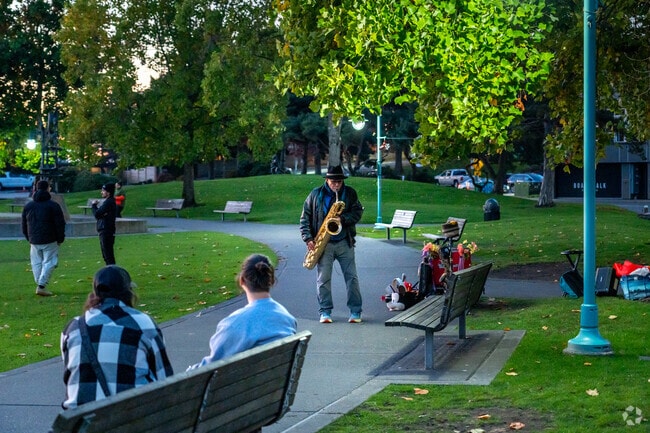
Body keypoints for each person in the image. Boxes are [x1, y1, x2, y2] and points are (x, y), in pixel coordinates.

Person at [60, 265, 174, 409]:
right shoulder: (143, 323)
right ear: (128, 292)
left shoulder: (74, 327)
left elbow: (72, 375)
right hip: (130, 418)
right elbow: (165, 380)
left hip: (79, 422)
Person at [188, 254, 296, 369]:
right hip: (273, 384)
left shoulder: (234, 324)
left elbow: (210, 367)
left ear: (242, 280)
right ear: (272, 280)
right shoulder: (287, 319)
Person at [299, 165, 364, 324]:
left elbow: (357, 212)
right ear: (326, 180)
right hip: (324, 244)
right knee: (323, 279)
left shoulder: (349, 193)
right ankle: (325, 312)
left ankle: (355, 312)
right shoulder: (315, 195)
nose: (336, 184)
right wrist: (308, 238)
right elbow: (304, 218)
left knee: (352, 278)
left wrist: (343, 219)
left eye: (339, 182)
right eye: (333, 181)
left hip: (344, 242)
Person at [21, 180, 66, 296]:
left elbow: (24, 224)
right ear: (48, 189)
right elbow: (60, 224)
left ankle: (40, 282)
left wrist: (28, 237)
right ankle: (41, 285)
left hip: (34, 239)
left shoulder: (28, 206)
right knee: (50, 262)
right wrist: (60, 238)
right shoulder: (53, 206)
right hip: (50, 238)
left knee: (36, 263)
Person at [92, 183, 117, 265]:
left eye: (103, 190)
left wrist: (94, 205)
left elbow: (97, 214)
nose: (101, 192)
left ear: (108, 192)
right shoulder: (109, 202)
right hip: (105, 230)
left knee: (108, 254)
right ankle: (110, 271)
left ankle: (112, 272)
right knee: (106, 254)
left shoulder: (109, 202)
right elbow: (100, 214)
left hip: (106, 230)